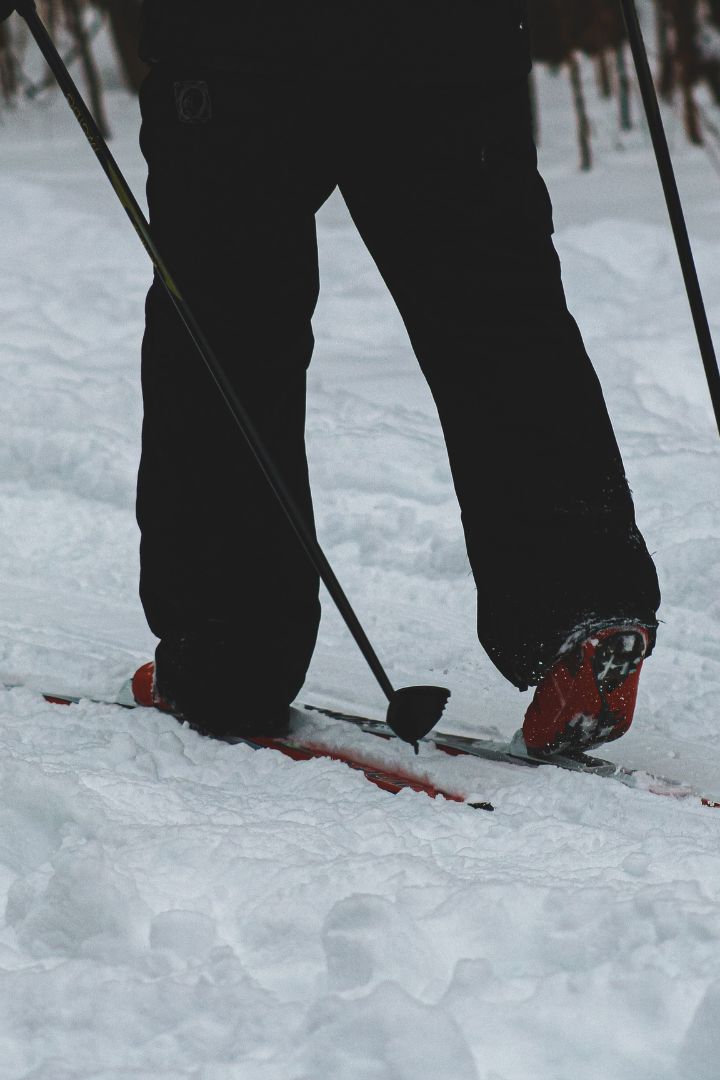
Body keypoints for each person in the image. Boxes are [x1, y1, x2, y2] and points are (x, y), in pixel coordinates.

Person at [2, 2, 661, 754]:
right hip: (449, 33)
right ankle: (584, 610)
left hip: (243, 39)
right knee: (497, 311)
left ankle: (230, 655)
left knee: (226, 330)